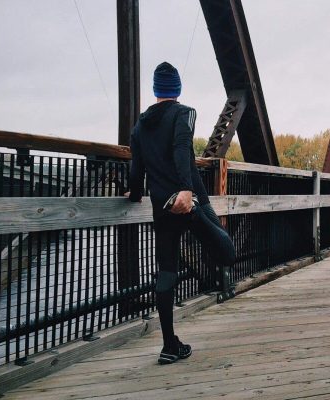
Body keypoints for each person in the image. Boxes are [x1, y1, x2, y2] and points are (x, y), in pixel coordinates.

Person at [125, 62, 235, 365]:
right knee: (226, 253)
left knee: (167, 272)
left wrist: (133, 194)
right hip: (189, 201)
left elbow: (137, 170)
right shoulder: (184, 113)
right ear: (177, 88)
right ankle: (172, 342)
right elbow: (181, 147)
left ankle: (169, 345)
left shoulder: (139, 126)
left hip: (162, 208)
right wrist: (188, 192)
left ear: (155, 90)